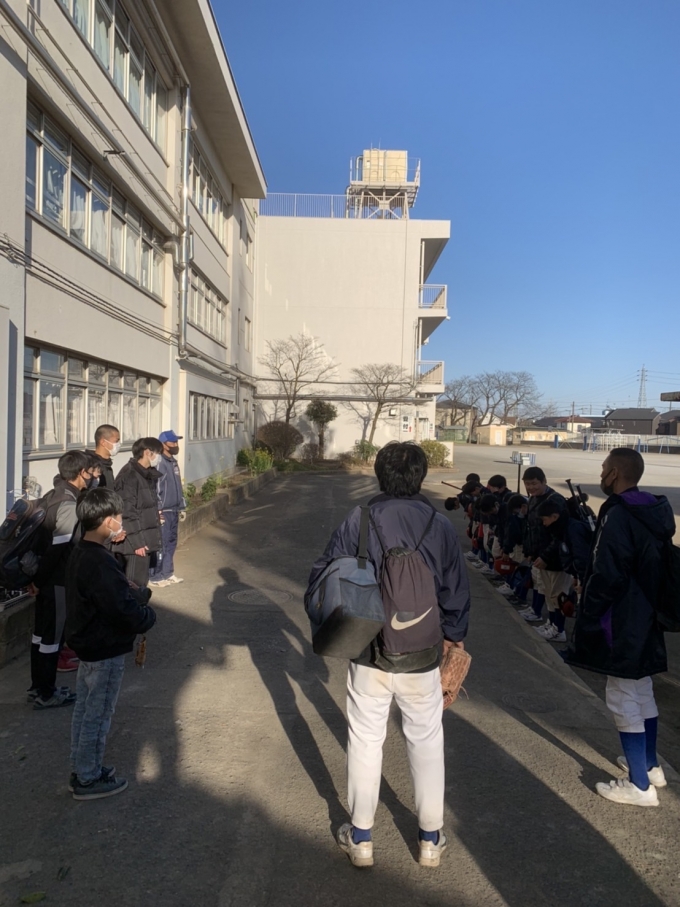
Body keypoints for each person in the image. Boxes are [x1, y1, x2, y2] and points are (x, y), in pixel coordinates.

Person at [307, 442, 470, 868]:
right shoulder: (439, 524)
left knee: (365, 739)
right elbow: (455, 588)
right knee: (426, 740)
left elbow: (325, 572)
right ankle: (430, 839)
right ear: (421, 476)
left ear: (380, 475)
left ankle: (361, 837)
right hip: (423, 651)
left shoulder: (359, 518)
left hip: (368, 649)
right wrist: (454, 638)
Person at [565, 448, 674, 806]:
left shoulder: (618, 513)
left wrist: (589, 610)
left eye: (604, 468)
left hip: (621, 616)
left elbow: (607, 570)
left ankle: (639, 785)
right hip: (647, 613)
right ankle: (650, 766)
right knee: (641, 689)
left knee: (622, 694)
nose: (601, 473)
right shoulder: (655, 510)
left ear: (614, 473)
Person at [66, 488, 156, 800]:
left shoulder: (81, 552)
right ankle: (88, 778)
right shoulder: (100, 562)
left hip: (88, 646)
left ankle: (81, 767)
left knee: (85, 710)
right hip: (104, 648)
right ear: (107, 521)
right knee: (98, 713)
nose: (120, 522)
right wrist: (146, 616)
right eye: (118, 517)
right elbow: (121, 609)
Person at [28, 450, 97, 709]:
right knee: (52, 639)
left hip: (44, 579)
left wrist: (35, 579)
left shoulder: (52, 495)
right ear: (81, 473)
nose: (92, 476)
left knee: (40, 635)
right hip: (57, 580)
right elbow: (57, 549)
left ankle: (37, 687)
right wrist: (39, 580)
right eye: (89, 472)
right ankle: (46, 693)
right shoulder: (68, 504)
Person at [522, 466, 572, 641]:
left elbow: (561, 535)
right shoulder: (533, 499)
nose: (531, 487)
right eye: (527, 484)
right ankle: (551, 624)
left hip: (556, 559)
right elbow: (532, 529)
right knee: (549, 593)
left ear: (544, 481)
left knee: (558, 595)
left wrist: (545, 556)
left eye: (534, 483)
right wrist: (531, 551)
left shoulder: (556, 501)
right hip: (541, 556)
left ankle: (559, 630)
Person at [113, 438, 163, 587]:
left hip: (145, 539)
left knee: (140, 586)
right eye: (158, 453)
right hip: (134, 545)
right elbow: (127, 512)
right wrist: (138, 543)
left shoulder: (145, 474)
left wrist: (155, 515)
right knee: (134, 586)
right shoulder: (130, 476)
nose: (159, 457)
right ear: (147, 452)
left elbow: (143, 505)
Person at [149, 430, 186, 588]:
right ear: (163, 444)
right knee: (161, 544)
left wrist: (182, 506)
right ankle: (155, 576)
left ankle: (168, 573)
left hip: (174, 509)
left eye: (176, 441)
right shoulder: (159, 462)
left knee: (171, 542)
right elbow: (156, 487)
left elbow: (178, 486)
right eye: (173, 442)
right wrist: (158, 509)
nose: (176, 445)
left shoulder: (173, 462)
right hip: (163, 510)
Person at [87, 424, 121, 490]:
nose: (118, 445)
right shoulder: (91, 465)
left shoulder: (107, 465)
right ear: (103, 442)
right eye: (116, 441)